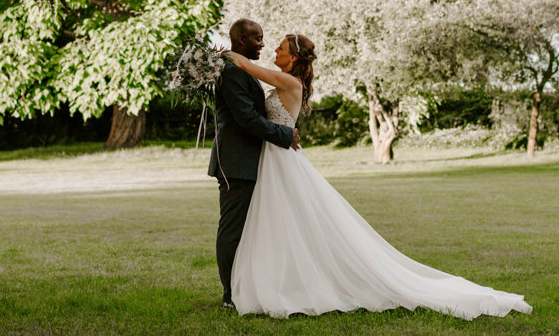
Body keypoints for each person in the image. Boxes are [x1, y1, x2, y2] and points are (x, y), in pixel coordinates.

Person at [224, 33, 533, 321]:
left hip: (281, 160)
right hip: (275, 156)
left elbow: (246, 65)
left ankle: (295, 284)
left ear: (293, 59)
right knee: (281, 223)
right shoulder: (285, 81)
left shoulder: (289, 82)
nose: (275, 51)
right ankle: (285, 279)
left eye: (280, 48)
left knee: (291, 220)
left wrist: (214, 56)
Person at [208, 19, 300, 310]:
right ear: (240, 40)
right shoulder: (233, 72)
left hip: (252, 160)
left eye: (263, 38)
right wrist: (285, 134)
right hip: (237, 162)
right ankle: (230, 295)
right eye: (257, 38)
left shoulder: (239, 68)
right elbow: (247, 119)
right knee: (233, 229)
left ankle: (247, 288)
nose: (262, 43)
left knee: (251, 229)